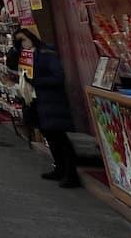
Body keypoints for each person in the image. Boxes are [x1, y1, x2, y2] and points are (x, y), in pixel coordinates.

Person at [7, 28, 79, 188]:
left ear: (32, 38)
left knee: (60, 138)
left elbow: (58, 77)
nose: (22, 44)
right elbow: (10, 64)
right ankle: (59, 169)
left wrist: (36, 81)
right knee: (50, 137)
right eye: (18, 41)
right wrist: (15, 48)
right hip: (35, 102)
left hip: (51, 102)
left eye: (24, 39)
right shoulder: (24, 57)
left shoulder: (46, 53)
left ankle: (71, 174)